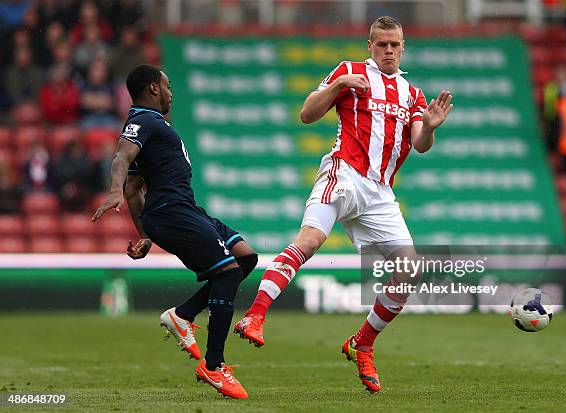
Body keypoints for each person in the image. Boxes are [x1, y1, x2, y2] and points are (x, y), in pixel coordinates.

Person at [234, 16, 453, 393]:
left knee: (409, 270)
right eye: (382, 44)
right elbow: (306, 115)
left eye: (395, 45)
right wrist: (336, 85)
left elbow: (419, 144)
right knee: (310, 241)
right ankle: (254, 317)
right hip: (344, 171)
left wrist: (430, 127)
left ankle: (362, 343)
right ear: (370, 46)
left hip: (380, 193)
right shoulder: (349, 71)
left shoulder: (412, 94)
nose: (388, 50)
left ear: (403, 48)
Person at [92, 64, 257, 399]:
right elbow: (121, 159)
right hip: (172, 211)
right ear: (153, 88)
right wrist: (112, 190)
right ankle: (213, 365)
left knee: (245, 258)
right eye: (167, 86)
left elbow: (135, 188)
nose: (171, 92)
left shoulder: (153, 127)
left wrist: (146, 235)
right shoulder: (142, 119)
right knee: (226, 273)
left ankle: (182, 315)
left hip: (181, 210)